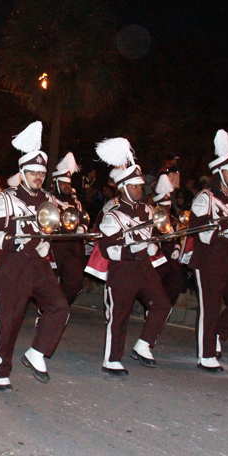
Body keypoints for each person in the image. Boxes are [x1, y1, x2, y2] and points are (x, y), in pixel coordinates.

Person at [0, 121, 70, 391]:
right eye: (32, 173)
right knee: (9, 322)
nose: (38, 177)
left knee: (59, 306)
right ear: (22, 174)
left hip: (38, 265)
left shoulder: (48, 200)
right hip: (13, 266)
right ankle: (1, 370)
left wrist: (46, 243)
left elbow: (49, 228)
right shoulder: (6, 199)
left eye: (41, 173)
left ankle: (36, 352)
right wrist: (12, 242)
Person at [90, 137, 172, 372]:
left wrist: (155, 246)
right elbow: (108, 249)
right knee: (119, 316)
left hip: (144, 269)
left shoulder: (148, 210)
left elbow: (155, 234)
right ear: (124, 187)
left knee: (162, 305)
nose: (140, 189)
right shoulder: (112, 215)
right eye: (135, 186)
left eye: (140, 186)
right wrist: (130, 250)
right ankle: (112, 359)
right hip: (123, 271)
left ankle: (144, 345)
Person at [184, 130, 228, 372]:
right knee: (210, 308)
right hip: (209, 259)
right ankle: (206, 354)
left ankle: (216, 335)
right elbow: (197, 229)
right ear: (220, 173)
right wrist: (223, 232)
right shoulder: (206, 198)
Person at [50, 153, 89, 305]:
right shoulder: (49, 200)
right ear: (56, 183)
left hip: (72, 248)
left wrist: (82, 227)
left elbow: (83, 217)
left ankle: (60, 307)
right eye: (64, 183)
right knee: (50, 284)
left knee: (75, 283)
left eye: (69, 183)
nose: (67, 186)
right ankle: (50, 310)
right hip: (55, 247)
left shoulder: (75, 202)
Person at [152, 173, 186, 306]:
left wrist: (177, 248)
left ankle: (167, 306)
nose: (166, 209)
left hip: (171, 257)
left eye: (168, 207)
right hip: (158, 256)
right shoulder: (152, 219)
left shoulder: (173, 219)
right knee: (156, 284)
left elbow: (177, 235)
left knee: (175, 282)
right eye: (164, 207)